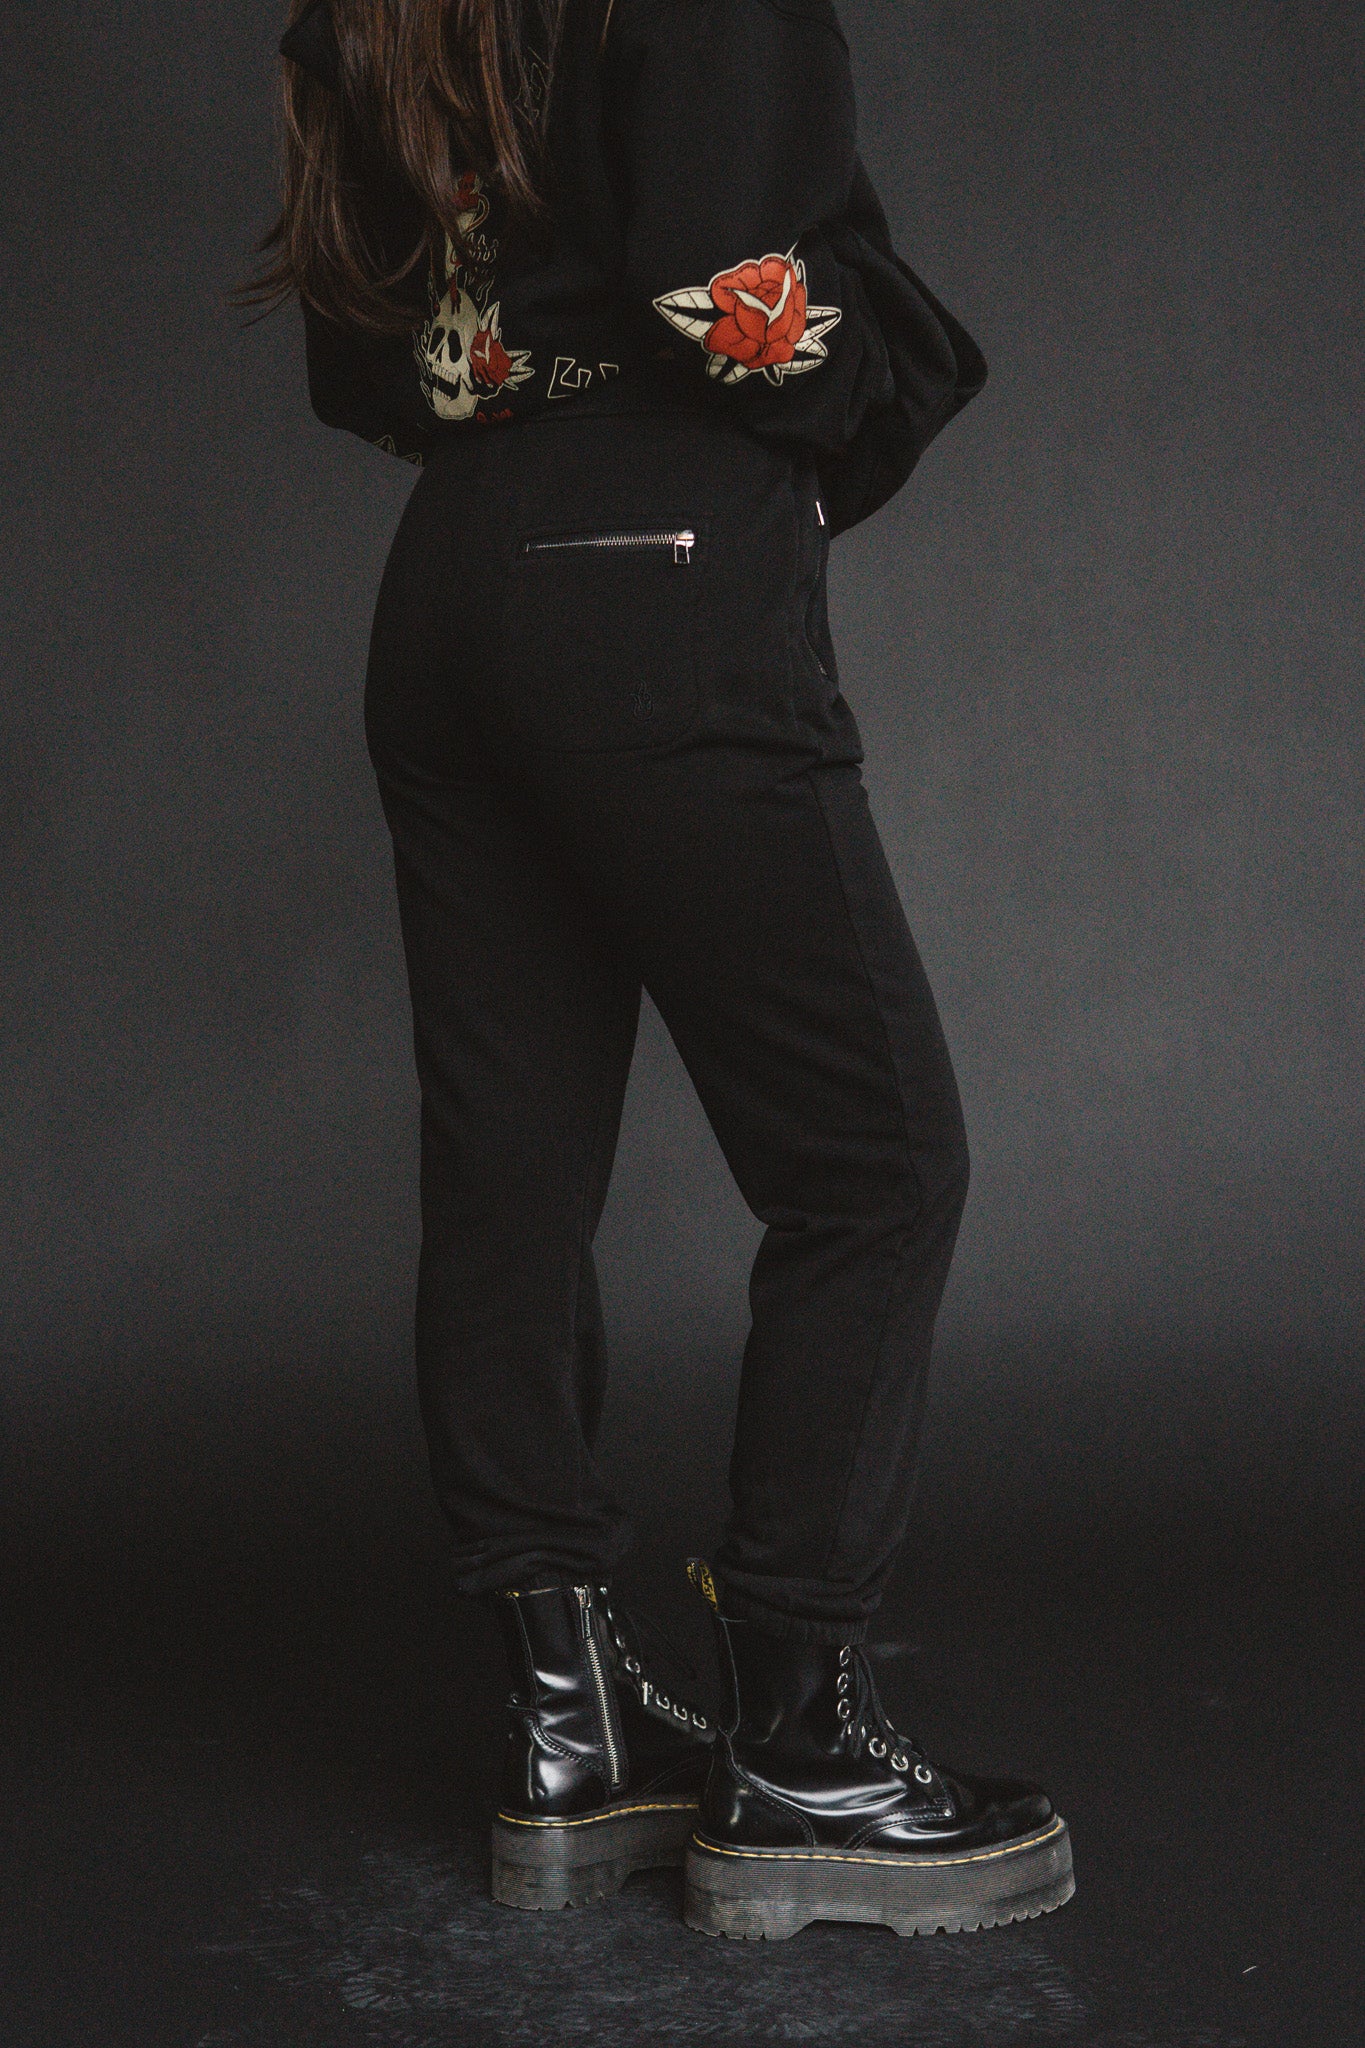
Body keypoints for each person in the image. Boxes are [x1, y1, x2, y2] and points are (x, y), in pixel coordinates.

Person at [238, 0, 1074, 1941]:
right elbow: (722, 283)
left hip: (448, 582)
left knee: (510, 1176)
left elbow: (368, 357)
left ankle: (570, 1725)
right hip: (656, 563)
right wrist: (870, 383)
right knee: (871, 1165)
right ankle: (797, 1747)